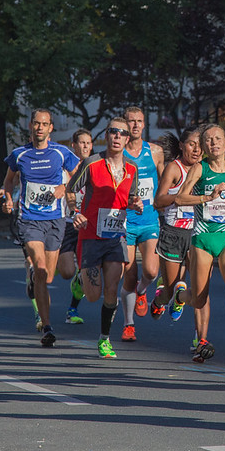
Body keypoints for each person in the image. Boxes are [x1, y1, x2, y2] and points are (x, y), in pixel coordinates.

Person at [0, 109, 80, 346]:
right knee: (40, 268)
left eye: (45, 124)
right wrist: (9, 199)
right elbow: (9, 180)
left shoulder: (61, 153)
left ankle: (33, 277)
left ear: (51, 128)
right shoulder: (19, 155)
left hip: (55, 220)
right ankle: (48, 326)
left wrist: (65, 188)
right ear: (31, 126)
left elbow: (80, 174)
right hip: (29, 220)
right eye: (36, 124)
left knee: (48, 276)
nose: (40, 128)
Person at [173, 124, 225, 368]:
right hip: (203, 238)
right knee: (199, 298)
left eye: (217, 139)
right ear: (204, 147)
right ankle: (180, 296)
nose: (213, 143)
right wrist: (209, 197)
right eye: (208, 140)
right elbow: (180, 198)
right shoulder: (199, 168)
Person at [67, 117, 141, 358]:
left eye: (122, 133)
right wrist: (75, 212)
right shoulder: (91, 163)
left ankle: (104, 339)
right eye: (113, 132)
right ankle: (80, 280)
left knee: (111, 290)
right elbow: (70, 191)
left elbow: (131, 197)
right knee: (92, 296)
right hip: (90, 235)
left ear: (128, 139)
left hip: (116, 236)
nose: (117, 136)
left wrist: (136, 204)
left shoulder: (132, 169)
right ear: (106, 136)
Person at [150, 127, 207, 324]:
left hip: (198, 233)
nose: (197, 150)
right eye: (192, 144)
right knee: (171, 290)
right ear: (182, 146)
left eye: (200, 145)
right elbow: (158, 201)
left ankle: (200, 340)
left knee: (201, 290)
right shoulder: (174, 168)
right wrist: (183, 198)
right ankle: (160, 299)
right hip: (173, 233)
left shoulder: (205, 168)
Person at [120, 106, 165, 342]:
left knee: (151, 271)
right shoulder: (117, 153)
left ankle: (142, 291)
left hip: (149, 220)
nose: (135, 125)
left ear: (144, 124)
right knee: (128, 274)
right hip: (126, 222)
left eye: (139, 121)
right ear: (124, 124)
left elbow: (167, 183)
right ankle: (129, 324)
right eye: (131, 121)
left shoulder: (155, 152)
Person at [56, 129, 94, 325]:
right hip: (68, 224)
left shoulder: (96, 167)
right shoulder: (64, 168)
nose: (86, 146)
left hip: (88, 226)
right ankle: (56, 263)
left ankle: (73, 309)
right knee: (68, 272)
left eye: (88, 143)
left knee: (85, 273)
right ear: (74, 146)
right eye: (82, 143)